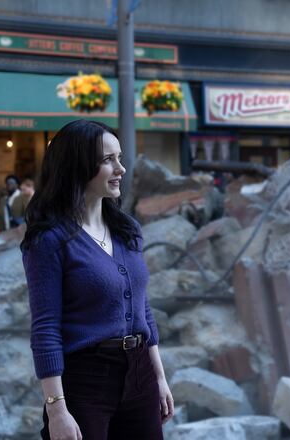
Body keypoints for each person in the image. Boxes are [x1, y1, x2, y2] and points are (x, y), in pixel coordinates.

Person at [21, 120, 173, 440]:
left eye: (120, 158)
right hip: (85, 381)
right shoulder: (50, 241)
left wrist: (159, 378)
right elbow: (46, 327)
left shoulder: (127, 230)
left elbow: (142, 308)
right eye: (108, 160)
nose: (121, 169)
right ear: (77, 166)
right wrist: (56, 410)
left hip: (140, 375)